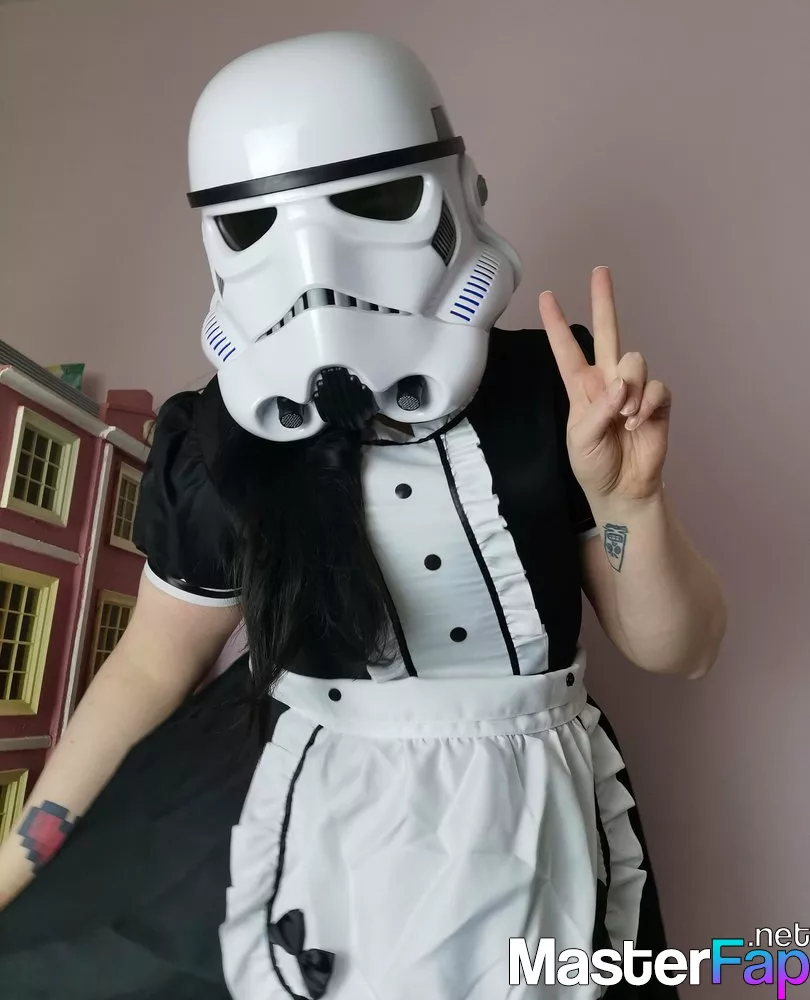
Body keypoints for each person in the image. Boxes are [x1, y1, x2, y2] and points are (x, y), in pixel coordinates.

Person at [0, 30, 726, 1000]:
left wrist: (627, 498)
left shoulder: (561, 393)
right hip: (316, 822)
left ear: (455, 191)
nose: (318, 265)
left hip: (537, 827)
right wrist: (15, 866)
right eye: (259, 223)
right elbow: (151, 664)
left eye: (372, 202)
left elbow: (684, 649)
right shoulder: (213, 441)